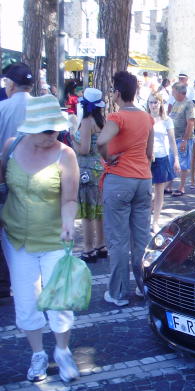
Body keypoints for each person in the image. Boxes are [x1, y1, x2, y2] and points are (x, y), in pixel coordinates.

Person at [0, 95, 80, 382]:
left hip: (55, 240)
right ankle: (37, 354)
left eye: (56, 129)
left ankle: (62, 351)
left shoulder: (65, 153)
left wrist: (68, 223)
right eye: (46, 130)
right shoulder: (11, 147)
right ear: (30, 127)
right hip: (17, 238)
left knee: (59, 300)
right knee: (26, 301)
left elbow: (70, 198)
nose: (53, 135)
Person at [97, 71, 154, 307]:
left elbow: (101, 141)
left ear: (117, 93)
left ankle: (118, 293)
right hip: (143, 179)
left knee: (118, 240)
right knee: (141, 239)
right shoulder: (147, 117)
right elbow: (150, 154)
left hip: (120, 179)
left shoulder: (117, 117)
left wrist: (108, 158)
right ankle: (144, 287)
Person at [0, 62, 34, 299]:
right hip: (39, 179)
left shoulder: (2, 108)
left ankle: (5, 284)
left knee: (6, 230)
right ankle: (32, 281)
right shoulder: (42, 107)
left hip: (7, 177)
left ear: (10, 84)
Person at [72, 88, 107, 263]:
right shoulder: (101, 121)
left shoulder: (87, 121)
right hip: (100, 168)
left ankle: (88, 248)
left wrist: (72, 139)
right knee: (99, 210)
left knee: (87, 212)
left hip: (87, 169)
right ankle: (101, 244)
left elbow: (84, 149)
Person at [148, 93, 179, 233]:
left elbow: (172, 141)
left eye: (156, 102)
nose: (153, 105)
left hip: (162, 157)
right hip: (147, 158)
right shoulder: (145, 119)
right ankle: (145, 219)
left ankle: (155, 221)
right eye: (151, 102)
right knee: (147, 192)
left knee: (159, 192)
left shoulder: (167, 120)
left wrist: (176, 159)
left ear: (160, 103)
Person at [168, 82, 195, 196]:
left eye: (174, 91)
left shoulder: (188, 104)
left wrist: (185, 139)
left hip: (183, 138)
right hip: (174, 138)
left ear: (180, 92)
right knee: (171, 162)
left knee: (183, 163)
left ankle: (181, 187)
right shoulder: (175, 102)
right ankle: (169, 186)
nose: (172, 93)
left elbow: (190, 122)